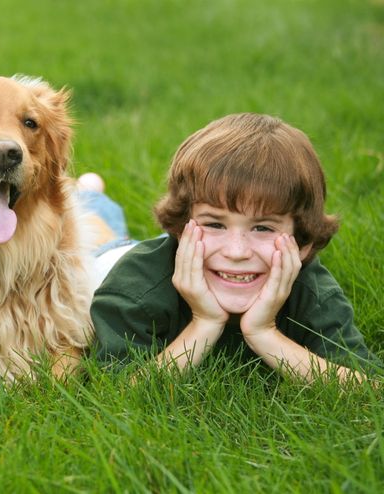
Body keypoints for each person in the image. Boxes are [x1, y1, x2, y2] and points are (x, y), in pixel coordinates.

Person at [90, 113, 380, 383]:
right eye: (214, 224)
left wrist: (264, 332)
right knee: (93, 231)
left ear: (303, 243)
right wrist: (204, 322)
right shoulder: (135, 287)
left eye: (263, 228)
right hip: (104, 261)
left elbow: (368, 388)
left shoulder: (312, 292)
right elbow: (121, 389)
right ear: (180, 228)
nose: (236, 251)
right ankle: (90, 192)